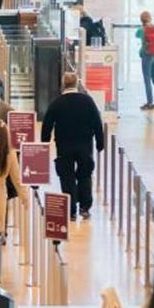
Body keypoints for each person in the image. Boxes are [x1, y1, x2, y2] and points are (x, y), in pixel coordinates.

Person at [40, 72, 105, 220]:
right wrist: (100, 143)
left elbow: (47, 123)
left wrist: (45, 141)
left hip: (64, 146)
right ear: (76, 84)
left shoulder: (57, 102)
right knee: (85, 175)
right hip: (85, 145)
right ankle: (85, 207)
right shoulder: (87, 101)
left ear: (63, 85)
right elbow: (97, 121)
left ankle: (70, 210)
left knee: (66, 177)